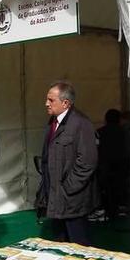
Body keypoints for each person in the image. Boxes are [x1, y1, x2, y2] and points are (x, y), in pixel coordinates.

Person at [35, 81, 98, 246]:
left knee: (79, 246)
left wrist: (67, 187)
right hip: (56, 197)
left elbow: (87, 162)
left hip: (72, 201)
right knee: (61, 245)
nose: (46, 103)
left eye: (51, 100)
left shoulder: (81, 123)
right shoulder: (53, 122)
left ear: (65, 103)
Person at [96, 109, 126, 220]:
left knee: (107, 189)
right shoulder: (124, 131)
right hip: (122, 164)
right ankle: (119, 209)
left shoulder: (100, 132)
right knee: (119, 188)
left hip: (105, 165)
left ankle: (108, 211)